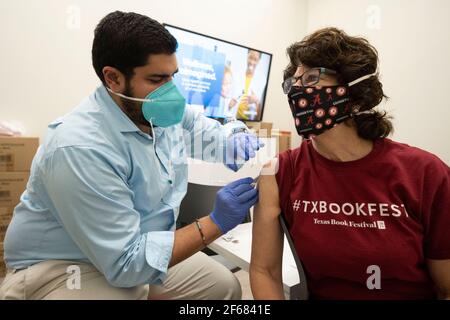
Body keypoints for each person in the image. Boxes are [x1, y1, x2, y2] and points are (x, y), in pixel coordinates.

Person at [0, 11, 262, 300]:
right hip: (63, 266)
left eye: (172, 76)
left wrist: (235, 136)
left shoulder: (157, 111)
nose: (171, 92)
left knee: (223, 286)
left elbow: (211, 135)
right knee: (129, 293)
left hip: (136, 244)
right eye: (157, 78)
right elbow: (126, 263)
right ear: (112, 78)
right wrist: (215, 223)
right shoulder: (79, 148)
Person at [250, 27, 450, 300]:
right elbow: (265, 272)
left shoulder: (426, 173)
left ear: (354, 92)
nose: (297, 89)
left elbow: (446, 287)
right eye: (293, 82)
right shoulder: (279, 172)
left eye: (310, 77)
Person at [234, 50, 264, 121]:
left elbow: (260, 106)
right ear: (247, 56)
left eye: (255, 59)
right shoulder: (237, 74)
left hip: (250, 120)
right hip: (234, 118)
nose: (252, 62)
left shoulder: (262, 80)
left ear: (259, 61)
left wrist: (256, 100)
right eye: (250, 58)